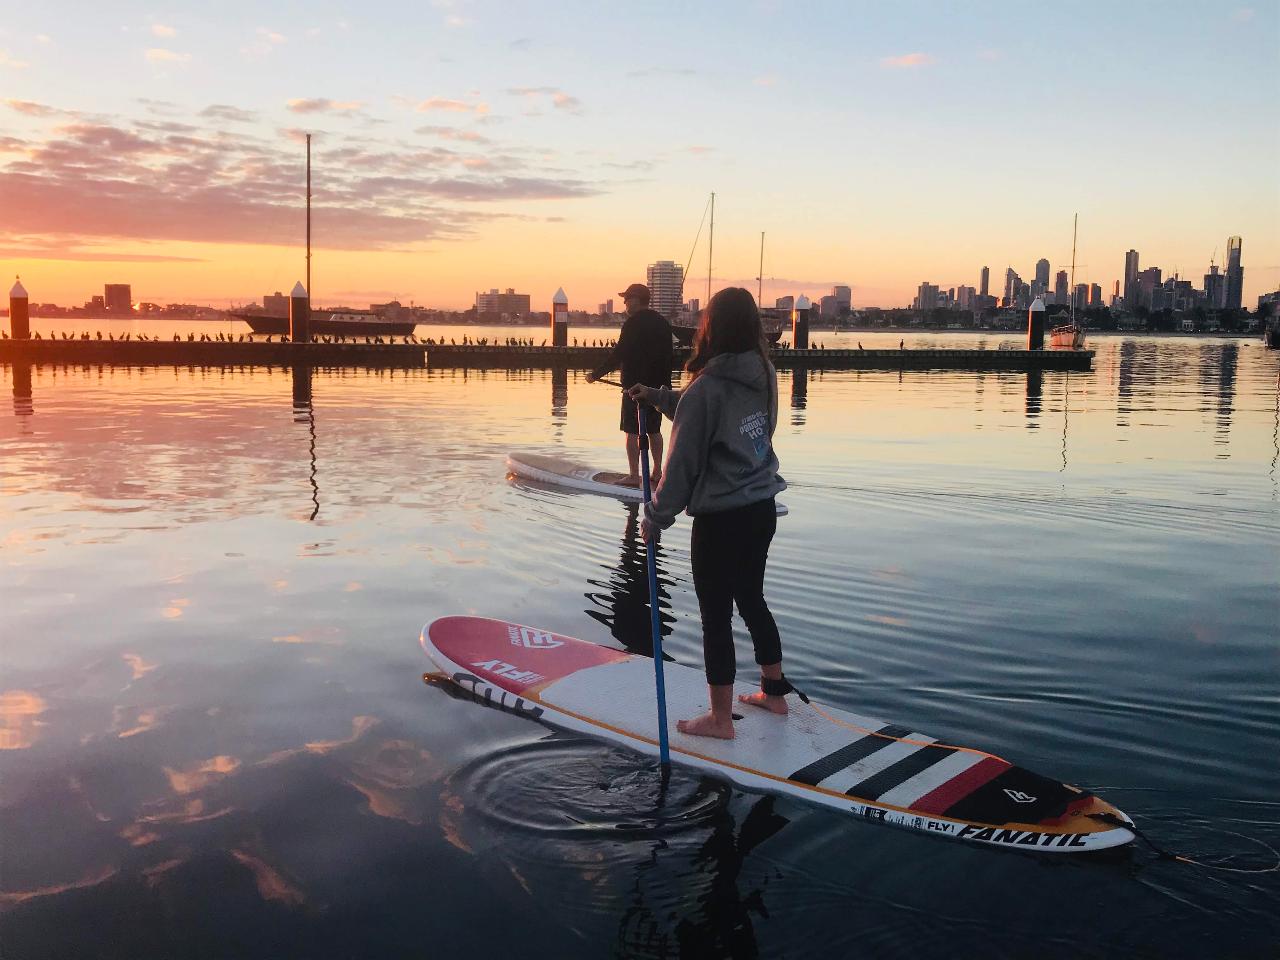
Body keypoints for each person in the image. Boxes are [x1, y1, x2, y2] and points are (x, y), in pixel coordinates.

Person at [627, 287, 790, 740]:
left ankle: (720, 719)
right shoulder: (764, 373)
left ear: (709, 329)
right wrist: (657, 397)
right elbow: (712, 414)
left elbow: (680, 467)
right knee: (752, 599)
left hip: (720, 522)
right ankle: (774, 693)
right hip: (761, 508)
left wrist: (653, 518)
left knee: (715, 616)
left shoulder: (706, 389)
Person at [587, 283, 673, 486]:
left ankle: (634, 475)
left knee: (631, 431)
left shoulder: (632, 323)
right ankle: (657, 472)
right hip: (657, 390)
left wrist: (595, 374)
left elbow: (619, 354)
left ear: (636, 300)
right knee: (654, 430)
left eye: (627, 299)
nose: (625, 303)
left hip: (633, 388)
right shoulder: (662, 323)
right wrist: (665, 388)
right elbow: (669, 357)